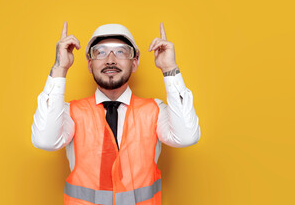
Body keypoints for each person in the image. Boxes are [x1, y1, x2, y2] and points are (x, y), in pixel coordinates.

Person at [31, 21, 201, 205]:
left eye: (121, 51)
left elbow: (186, 137)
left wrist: (169, 69)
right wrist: (59, 69)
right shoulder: (70, 113)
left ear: (134, 63)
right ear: (89, 64)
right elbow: (44, 141)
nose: (110, 59)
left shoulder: (154, 110)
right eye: (100, 52)